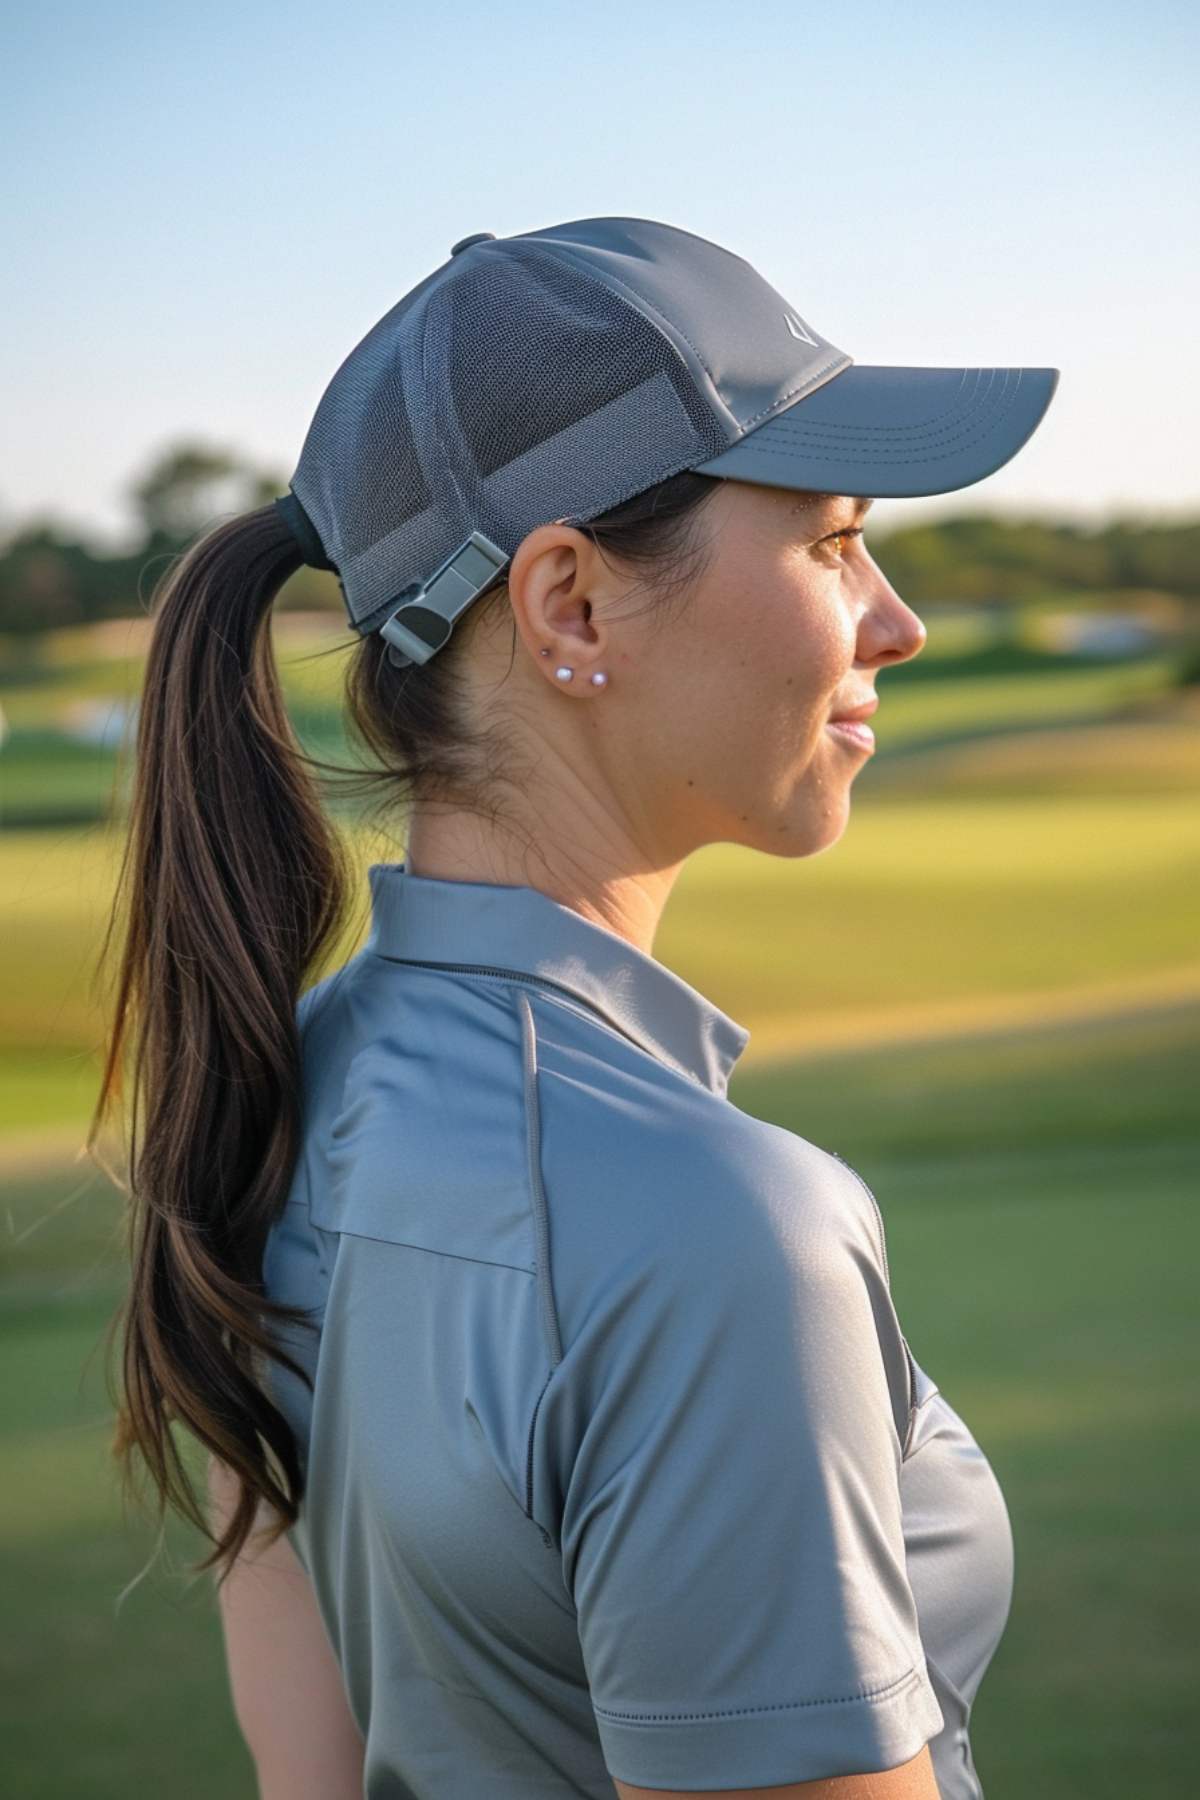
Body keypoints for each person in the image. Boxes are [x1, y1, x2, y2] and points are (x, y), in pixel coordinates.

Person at [93, 216, 1059, 1799]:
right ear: (570, 611)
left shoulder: (271, 1098)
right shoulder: (718, 1231)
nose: (898, 621)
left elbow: (313, 1774)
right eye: (829, 539)